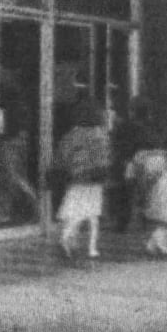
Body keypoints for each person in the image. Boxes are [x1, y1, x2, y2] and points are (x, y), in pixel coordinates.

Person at [55, 97, 112, 260]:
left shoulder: (72, 134)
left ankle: (66, 237)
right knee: (93, 215)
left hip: (76, 178)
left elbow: (63, 155)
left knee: (74, 211)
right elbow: (104, 157)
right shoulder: (100, 134)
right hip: (94, 178)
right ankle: (92, 248)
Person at [111, 95, 159, 233]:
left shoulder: (124, 126)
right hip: (149, 162)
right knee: (146, 192)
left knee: (125, 193)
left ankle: (122, 222)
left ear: (132, 110)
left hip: (129, 163)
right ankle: (146, 220)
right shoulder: (151, 127)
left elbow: (118, 144)